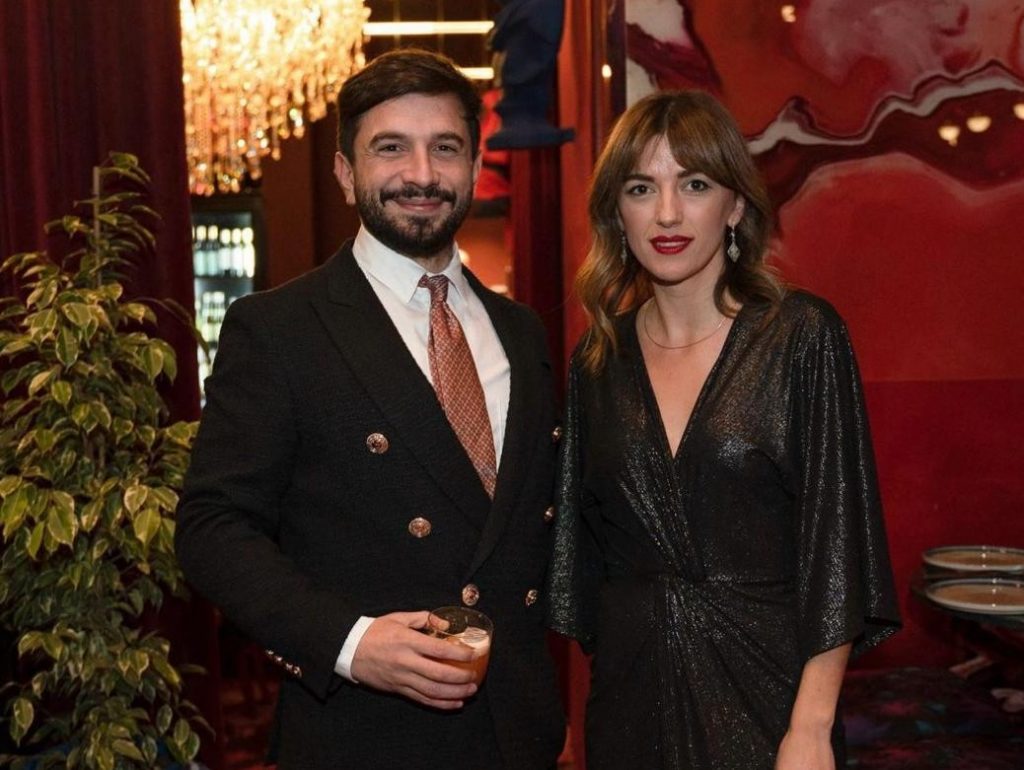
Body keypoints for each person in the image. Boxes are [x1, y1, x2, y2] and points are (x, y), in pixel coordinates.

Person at [175, 49, 565, 770]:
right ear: (345, 172)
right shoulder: (280, 328)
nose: (421, 174)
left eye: (444, 147)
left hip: (519, 731)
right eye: (391, 148)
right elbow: (212, 527)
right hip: (361, 735)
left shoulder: (524, 331)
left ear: (475, 164)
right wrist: (349, 643)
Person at [546, 90, 901, 769]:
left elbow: (836, 543)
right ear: (617, 214)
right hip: (630, 701)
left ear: (735, 205)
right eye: (641, 188)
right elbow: (581, 559)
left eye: (695, 184)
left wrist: (811, 727)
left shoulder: (801, 337)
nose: (667, 213)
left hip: (772, 698)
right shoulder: (597, 361)